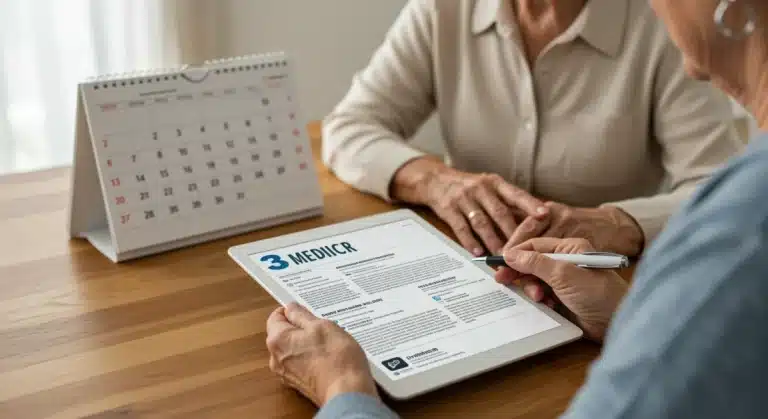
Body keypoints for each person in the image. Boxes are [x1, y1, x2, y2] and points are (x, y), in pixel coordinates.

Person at [265, 0, 768, 417]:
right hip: (562, 303)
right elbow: (350, 125)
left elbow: (716, 191)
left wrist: (344, 394)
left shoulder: (737, 232)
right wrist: (436, 179)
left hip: (569, 325)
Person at [321, 0, 744, 259]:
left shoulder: (665, 17)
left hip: (607, 291)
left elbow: (724, 195)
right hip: (474, 271)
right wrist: (438, 182)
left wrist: (619, 224)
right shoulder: (441, 7)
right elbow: (349, 127)